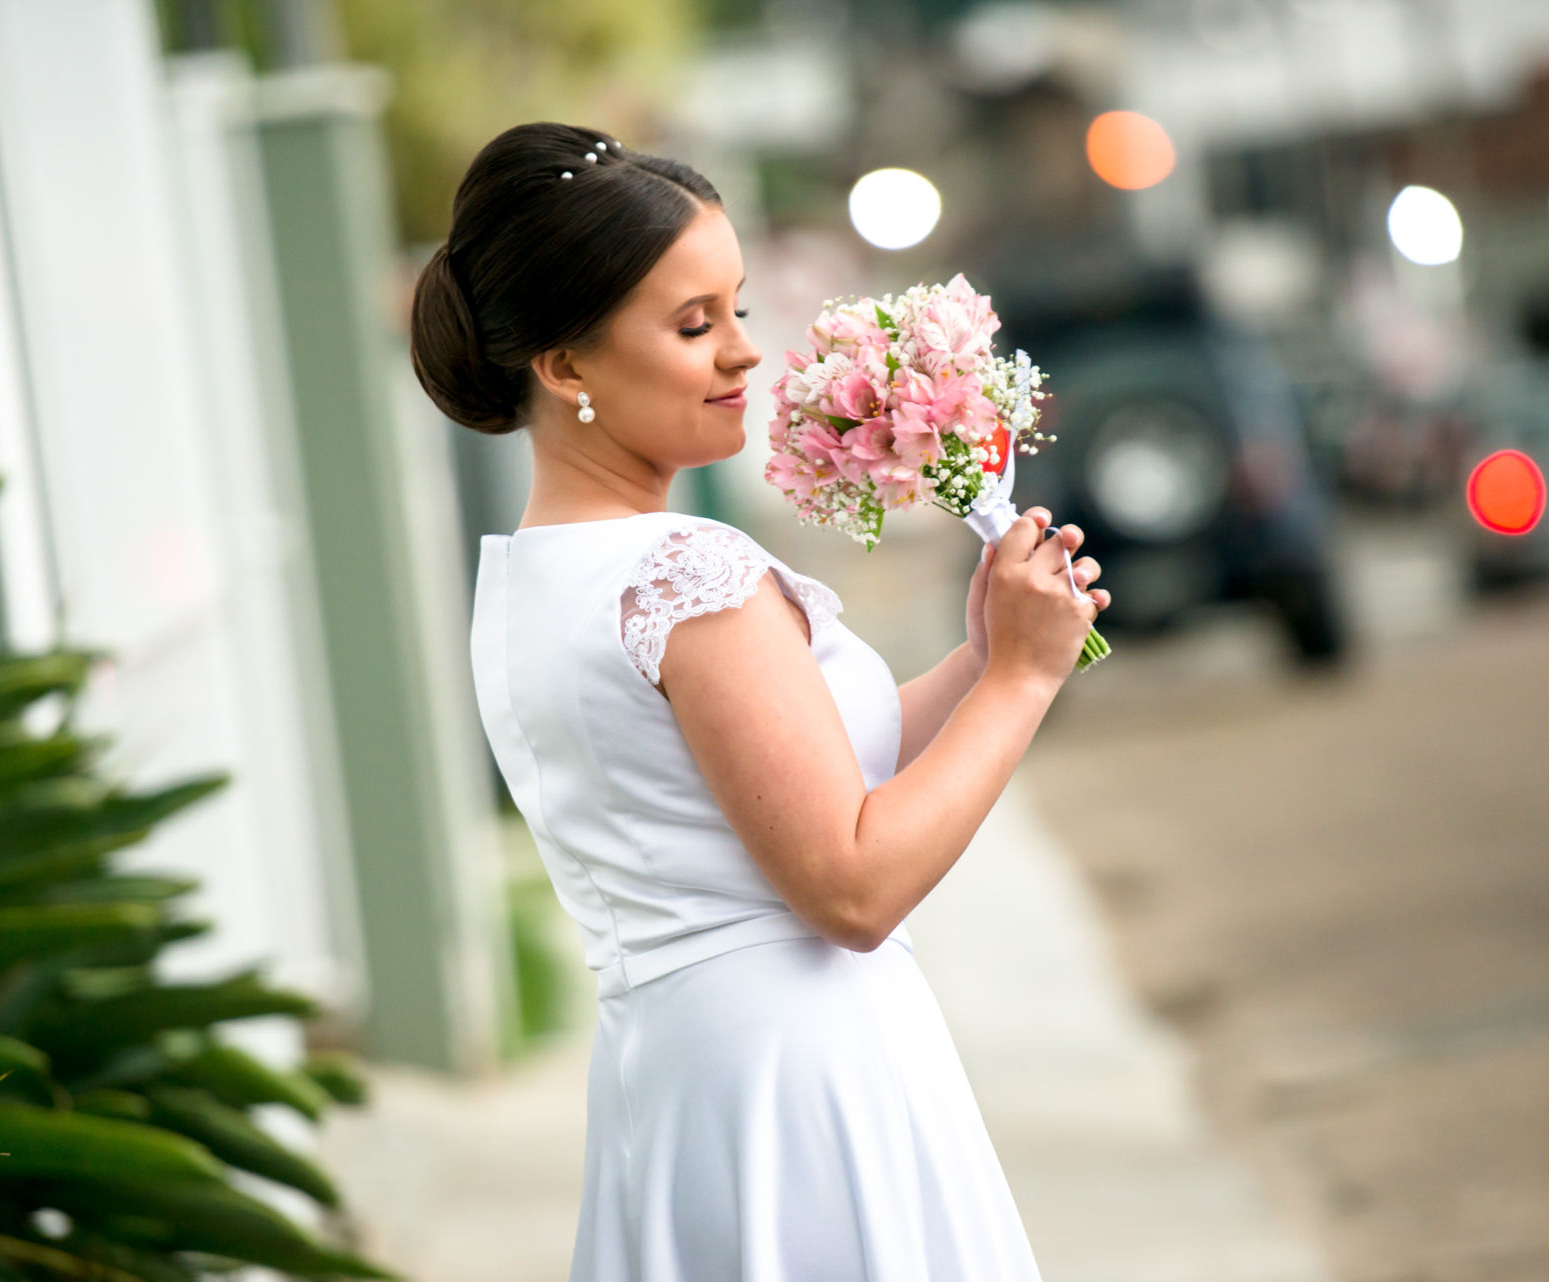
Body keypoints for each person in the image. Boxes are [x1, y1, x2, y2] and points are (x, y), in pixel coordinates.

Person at [411, 121, 1110, 1282]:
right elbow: (852, 884)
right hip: (804, 1083)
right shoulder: (687, 572)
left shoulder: (534, 578)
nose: (745, 351)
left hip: (678, 1079)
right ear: (566, 367)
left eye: (735, 308)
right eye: (694, 325)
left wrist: (985, 655)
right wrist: (1026, 681)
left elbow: (792, 774)